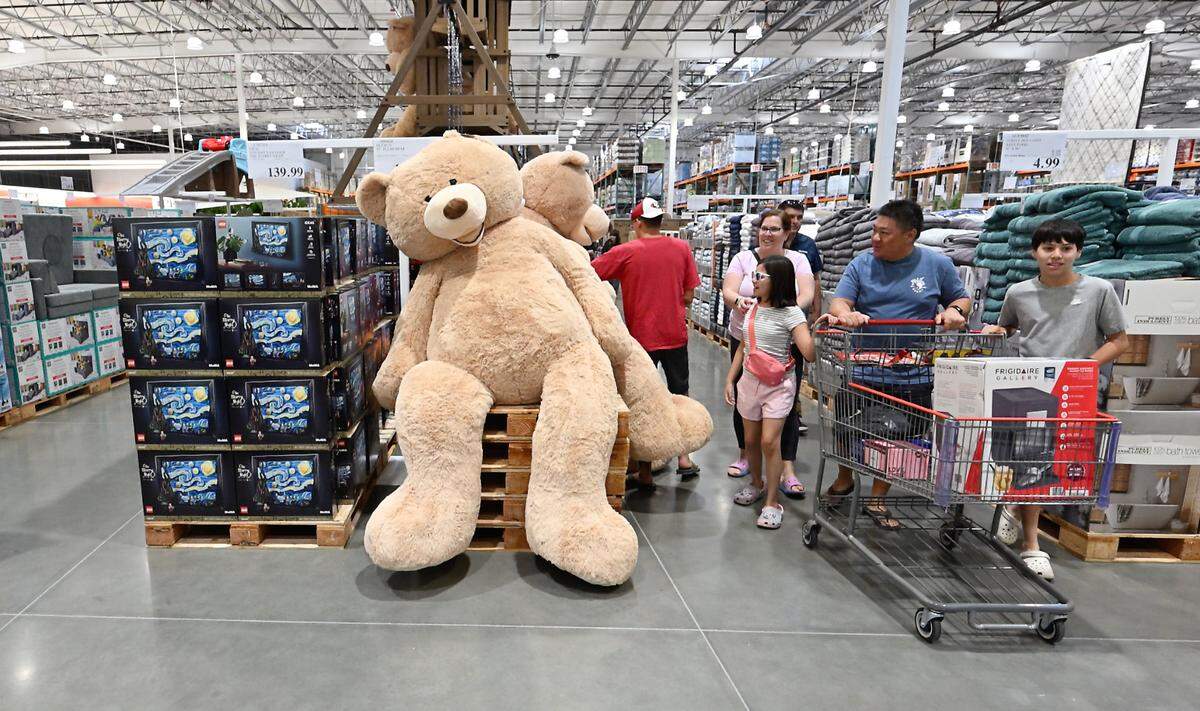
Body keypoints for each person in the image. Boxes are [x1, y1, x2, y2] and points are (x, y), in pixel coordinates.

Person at [982, 219, 1129, 581]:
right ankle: (1031, 544)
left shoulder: (1098, 290)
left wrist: (1080, 369)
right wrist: (997, 330)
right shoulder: (1018, 292)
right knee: (1030, 460)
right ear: (1035, 252)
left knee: (1049, 464)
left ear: (1078, 252)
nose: (1056, 255)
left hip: (1075, 392)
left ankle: (1014, 508)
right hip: (1028, 391)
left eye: (1065, 248)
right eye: (1049, 248)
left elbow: (1120, 340)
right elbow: (1011, 328)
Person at [825, 199, 971, 529]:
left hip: (913, 371)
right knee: (847, 427)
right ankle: (845, 477)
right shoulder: (861, 264)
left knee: (900, 436)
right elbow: (839, 300)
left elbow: (960, 298)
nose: (875, 238)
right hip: (864, 369)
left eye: (884, 233)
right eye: (874, 231)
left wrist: (955, 312)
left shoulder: (937, 265)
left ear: (910, 235)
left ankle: (877, 498)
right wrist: (845, 313)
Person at [592, 197, 702, 484]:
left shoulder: (626, 251)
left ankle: (643, 470)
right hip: (675, 334)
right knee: (680, 394)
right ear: (660, 221)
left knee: (640, 401)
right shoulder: (681, 248)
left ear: (637, 223)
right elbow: (689, 295)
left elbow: (591, 273)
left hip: (640, 339)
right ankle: (684, 457)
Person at [721, 209, 815, 500]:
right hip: (749, 357)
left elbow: (807, 295)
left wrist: (786, 314)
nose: (767, 233)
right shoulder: (743, 262)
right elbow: (729, 291)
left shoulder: (797, 261)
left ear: (788, 232)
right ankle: (752, 469)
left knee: (774, 432)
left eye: (775, 228)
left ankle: (783, 475)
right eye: (764, 227)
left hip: (781, 353)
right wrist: (744, 302)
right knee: (750, 427)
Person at [780, 198, 823, 437]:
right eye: (790, 216)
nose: (795, 221)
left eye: (799, 217)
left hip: (798, 318)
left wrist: (815, 312)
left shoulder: (808, 245)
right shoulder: (771, 240)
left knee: (796, 365)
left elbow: (816, 281)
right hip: (773, 320)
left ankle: (793, 412)